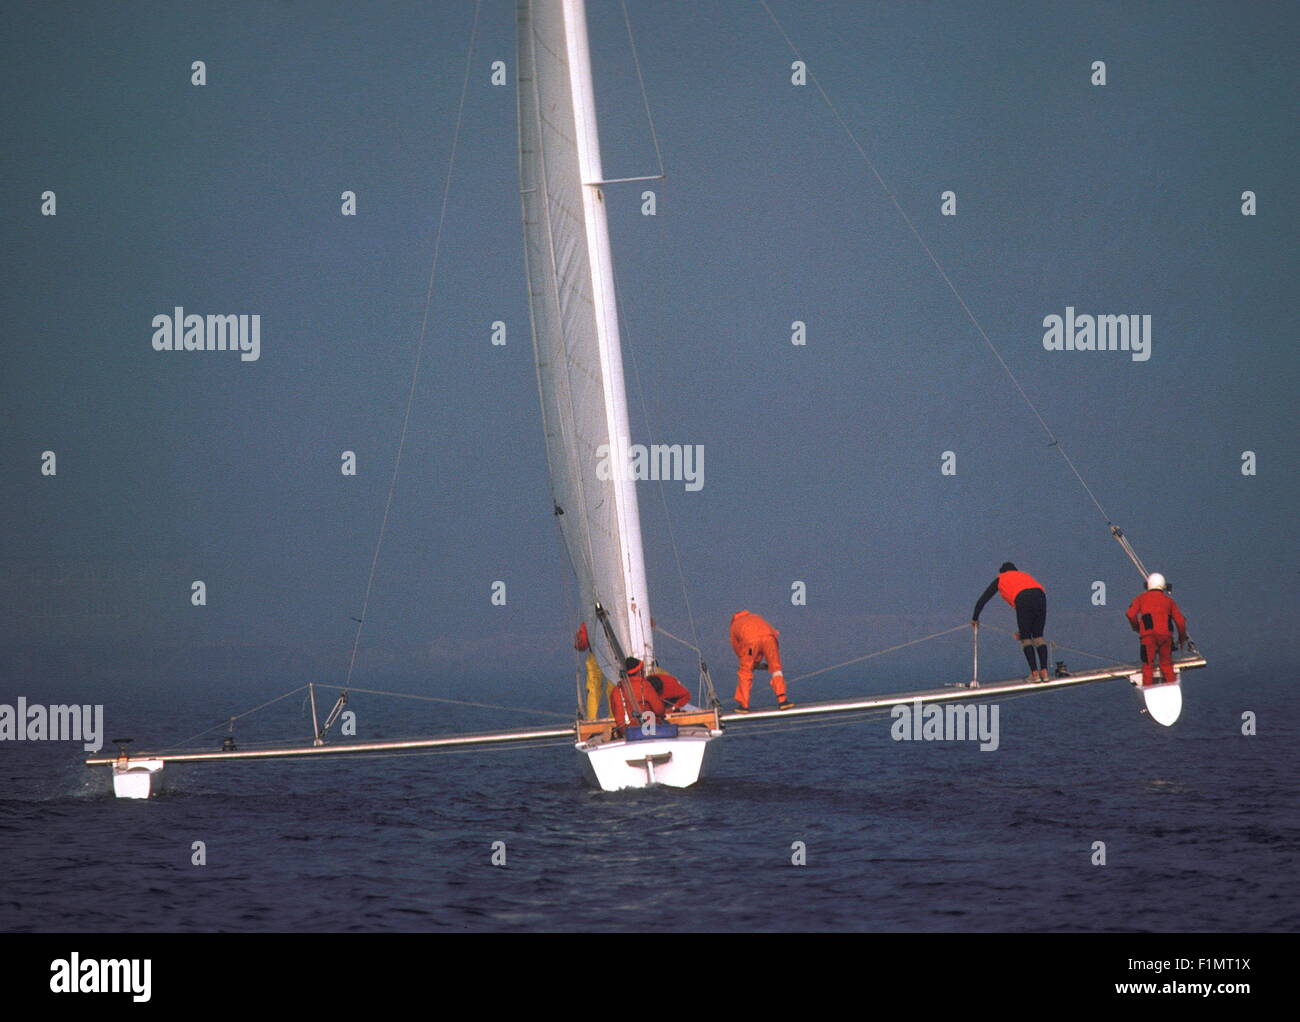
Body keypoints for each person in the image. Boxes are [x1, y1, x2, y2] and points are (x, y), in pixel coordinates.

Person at [972, 562, 1050, 682]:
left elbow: (983, 599)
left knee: (1026, 639)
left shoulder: (1001, 578)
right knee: (1038, 637)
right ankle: (1044, 672)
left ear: (1001, 572)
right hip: (1040, 596)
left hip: (1022, 598)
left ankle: (1035, 674)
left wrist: (975, 618)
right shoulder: (1024, 575)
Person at [1125, 573, 1189, 687]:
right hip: (1166, 637)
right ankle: (1171, 687)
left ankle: (1148, 689)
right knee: (1166, 665)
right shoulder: (1169, 601)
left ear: (1148, 585)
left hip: (1148, 638)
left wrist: (1137, 627)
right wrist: (1182, 639)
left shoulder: (1140, 598)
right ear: (1163, 586)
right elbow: (1180, 621)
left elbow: (1130, 614)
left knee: (1148, 665)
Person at [730, 610, 794, 711]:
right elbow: (771, 635)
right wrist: (768, 661)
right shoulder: (755, 617)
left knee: (745, 671)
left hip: (751, 645)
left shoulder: (734, 625)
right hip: (770, 640)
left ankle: (744, 705)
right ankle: (783, 700)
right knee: (776, 669)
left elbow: (738, 649)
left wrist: (753, 664)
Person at [609, 657, 667, 728]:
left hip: (627, 732)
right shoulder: (644, 686)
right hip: (648, 729)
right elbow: (659, 710)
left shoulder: (616, 690)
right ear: (640, 671)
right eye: (643, 670)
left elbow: (615, 712)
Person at [574, 623, 612, 720]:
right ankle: (614, 716)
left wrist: (579, 639)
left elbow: (582, 644)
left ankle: (592, 719)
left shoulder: (590, 619)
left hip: (596, 654)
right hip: (612, 655)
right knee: (612, 686)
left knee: (594, 688)